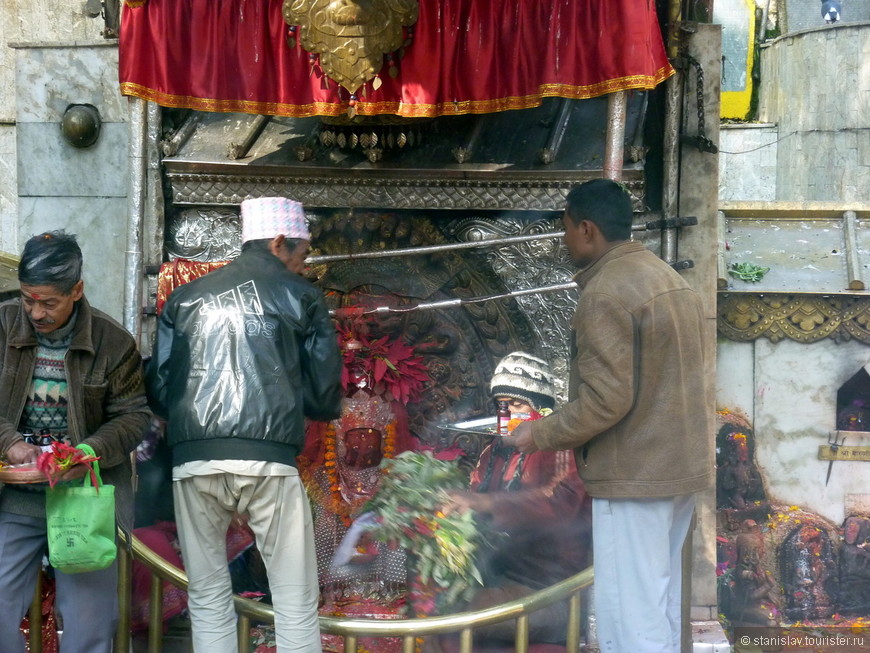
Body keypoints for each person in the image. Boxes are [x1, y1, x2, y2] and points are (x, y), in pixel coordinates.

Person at [507, 179, 714, 653]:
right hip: (676, 472)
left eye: (565, 230)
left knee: (630, 622)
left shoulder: (606, 293)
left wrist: (537, 434)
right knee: (659, 610)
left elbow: (606, 401)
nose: (563, 241)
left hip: (634, 478)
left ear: (586, 229)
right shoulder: (668, 279)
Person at [146, 196, 343, 653]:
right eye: (302, 254)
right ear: (279, 242)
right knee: (295, 601)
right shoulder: (303, 297)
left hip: (195, 461)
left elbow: (158, 387)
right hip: (269, 463)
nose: (303, 265)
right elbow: (324, 394)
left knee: (209, 597)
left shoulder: (186, 297)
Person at [0, 230, 151, 653]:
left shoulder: (112, 340)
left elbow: (134, 415)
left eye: (49, 302)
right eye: (29, 299)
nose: (36, 312)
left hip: (84, 499)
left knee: (88, 627)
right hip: (13, 495)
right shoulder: (2, 324)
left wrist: (87, 452)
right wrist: (9, 441)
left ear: (77, 290)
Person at [444, 351, 591, 647]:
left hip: (550, 590)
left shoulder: (561, 448)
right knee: (429, 601)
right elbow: (474, 508)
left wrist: (488, 504)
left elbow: (560, 504)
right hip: (500, 579)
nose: (506, 414)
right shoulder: (493, 453)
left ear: (540, 410)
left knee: (451, 615)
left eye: (516, 404)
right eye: (501, 405)